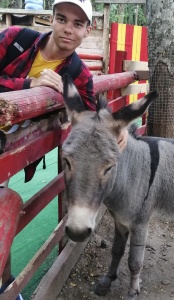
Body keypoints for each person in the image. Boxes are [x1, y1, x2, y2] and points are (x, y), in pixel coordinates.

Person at [0, 0, 127, 297]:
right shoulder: (14, 37)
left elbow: (92, 121)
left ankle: (5, 284)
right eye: (62, 19)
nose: (68, 29)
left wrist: (121, 133)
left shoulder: (79, 74)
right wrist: (28, 83)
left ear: (87, 30)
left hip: (10, 147)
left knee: (4, 209)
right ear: (51, 20)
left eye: (77, 24)